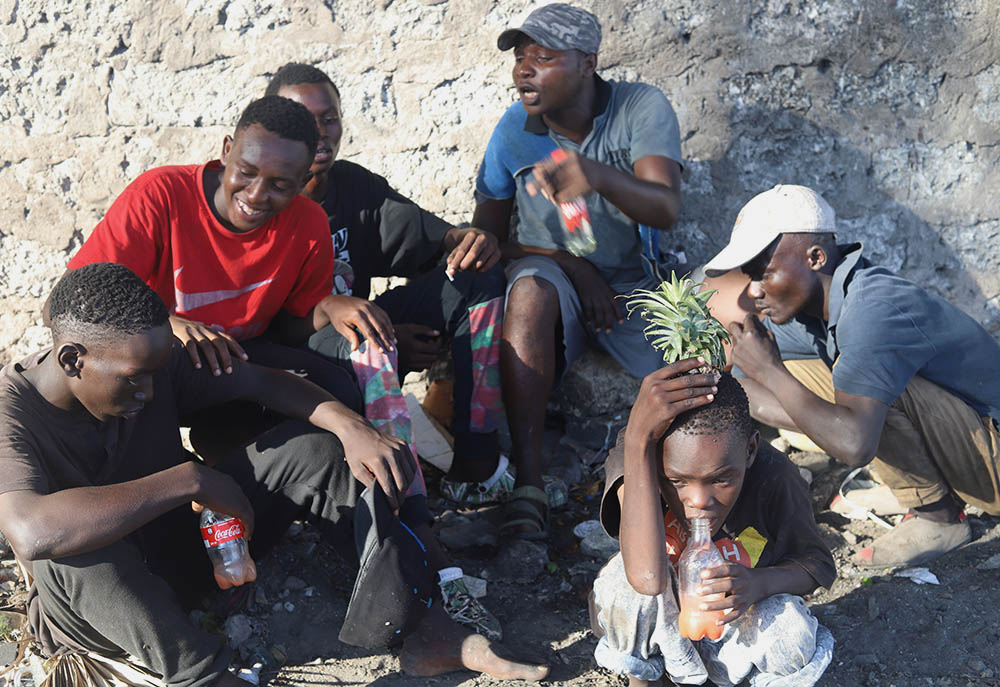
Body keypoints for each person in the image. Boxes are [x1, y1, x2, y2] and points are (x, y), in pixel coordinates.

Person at [64, 96, 503, 640]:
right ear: (226, 152)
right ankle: (195, 522)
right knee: (143, 439)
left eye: (279, 184)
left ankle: (390, 532)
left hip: (241, 360)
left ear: (304, 179)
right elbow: (81, 295)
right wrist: (172, 324)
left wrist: (329, 307)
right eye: (245, 174)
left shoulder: (307, 222)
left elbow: (295, 323)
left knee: (339, 382)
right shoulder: (162, 194)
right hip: (161, 362)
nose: (256, 195)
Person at [0, 263, 549, 686]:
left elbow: (265, 383)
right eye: (131, 381)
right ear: (72, 359)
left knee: (315, 447)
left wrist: (350, 424)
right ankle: (208, 676)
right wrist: (190, 479)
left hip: (193, 559)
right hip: (109, 610)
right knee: (69, 545)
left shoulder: (149, 364)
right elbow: (30, 530)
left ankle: (421, 626)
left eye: (152, 374)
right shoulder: (11, 412)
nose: (147, 392)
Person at [471, 2, 696, 539]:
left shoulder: (638, 108)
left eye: (544, 57)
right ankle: (528, 484)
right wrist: (571, 265)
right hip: (553, 280)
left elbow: (665, 207)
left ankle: (701, 507)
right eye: (521, 57)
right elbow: (491, 241)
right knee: (527, 290)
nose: (525, 69)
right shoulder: (514, 131)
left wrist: (595, 173)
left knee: (699, 388)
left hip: (633, 288)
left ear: (587, 63)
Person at [706, 184, 1000, 567]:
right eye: (750, 277)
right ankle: (911, 480)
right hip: (968, 442)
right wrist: (716, 381)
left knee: (870, 390)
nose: (754, 291)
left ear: (814, 257)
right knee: (814, 377)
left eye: (765, 273)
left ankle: (937, 518)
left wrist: (771, 371)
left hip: (992, 450)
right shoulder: (814, 307)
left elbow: (854, 444)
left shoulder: (871, 312)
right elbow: (750, 378)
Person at [263, 62, 515, 509]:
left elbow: (432, 239)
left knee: (477, 273)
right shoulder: (262, 200)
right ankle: (404, 500)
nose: (321, 133)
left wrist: (467, 238)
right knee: (366, 337)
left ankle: (476, 464)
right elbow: (266, 325)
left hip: (360, 329)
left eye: (330, 118)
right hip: (292, 354)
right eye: (305, 121)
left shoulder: (352, 187)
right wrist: (386, 337)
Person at [591, 359, 835, 686]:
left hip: (736, 635)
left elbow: (816, 565)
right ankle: (647, 680)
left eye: (720, 480)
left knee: (790, 630)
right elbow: (647, 580)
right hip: (664, 633)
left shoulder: (774, 477)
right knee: (623, 586)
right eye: (677, 481)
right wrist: (637, 439)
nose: (699, 500)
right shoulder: (638, 459)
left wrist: (757, 583)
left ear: (750, 450)